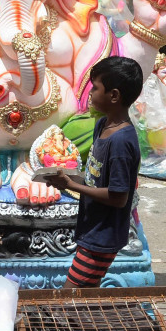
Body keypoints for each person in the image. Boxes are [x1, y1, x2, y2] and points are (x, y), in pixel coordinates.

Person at [45, 56, 143, 287]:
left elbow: (118, 198)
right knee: (84, 294)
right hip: (92, 227)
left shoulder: (120, 142)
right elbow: (96, 176)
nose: (89, 93)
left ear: (114, 95)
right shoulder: (102, 126)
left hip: (103, 235)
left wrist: (69, 185)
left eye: (95, 88)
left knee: (71, 297)